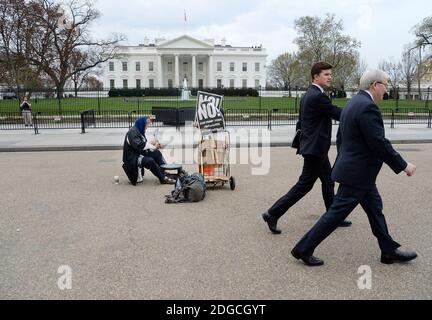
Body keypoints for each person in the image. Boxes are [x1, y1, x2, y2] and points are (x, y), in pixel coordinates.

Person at [291, 69, 417, 266]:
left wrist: (345, 161)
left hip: (358, 172)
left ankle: (388, 250)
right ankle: (303, 248)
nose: (387, 90)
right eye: (385, 85)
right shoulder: (368, 107)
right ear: (375, 85)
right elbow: (378, 142)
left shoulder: (354, 103)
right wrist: (403, 165)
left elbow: (342, 138)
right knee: (335, 214)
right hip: (358, 174)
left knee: (375, 210)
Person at [262, 62, 351, 234]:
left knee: (328, 180)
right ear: (315, 76)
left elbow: (301, 122)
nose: (330, 77)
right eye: (326, 74)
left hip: (314, 147)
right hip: (315, 148)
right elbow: (337, 113)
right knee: (304, 185)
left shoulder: (308, 94)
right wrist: (356, 110)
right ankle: (272, 213)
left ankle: (333, 217)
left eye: (330, 74)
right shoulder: (318, 96)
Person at [122, 116, 175, 185]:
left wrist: (153, 146)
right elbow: (139, 146)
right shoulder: (132, 132)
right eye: (146, 125)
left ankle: (163, 171)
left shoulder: (138, 131)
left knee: (156, 153)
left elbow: (143, 145)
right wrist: (152, 146)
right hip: (132, 158)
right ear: (142, 124)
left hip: (138, 153)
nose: (147, 127)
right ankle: (162, 178)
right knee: (150, 161)